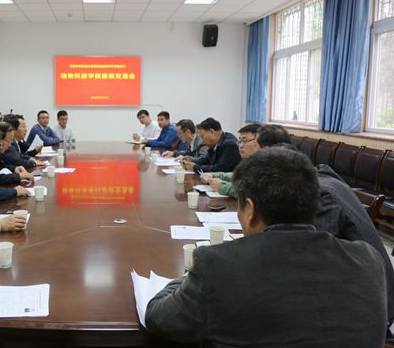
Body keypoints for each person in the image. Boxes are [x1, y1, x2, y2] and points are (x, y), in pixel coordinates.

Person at [145, 148, 387, 347]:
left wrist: (189, 274)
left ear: (249, 210)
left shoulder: (217, 266)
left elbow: (159, 318)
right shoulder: (368, 258)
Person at [204, 123, 262, 196]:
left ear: (259, 142)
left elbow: (250, 192)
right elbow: (239, 176)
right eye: (240, 141)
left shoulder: (265, 165)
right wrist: (214, 175)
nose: (240, 146)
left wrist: (222, 186)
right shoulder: (248, 160)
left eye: (245, 141)